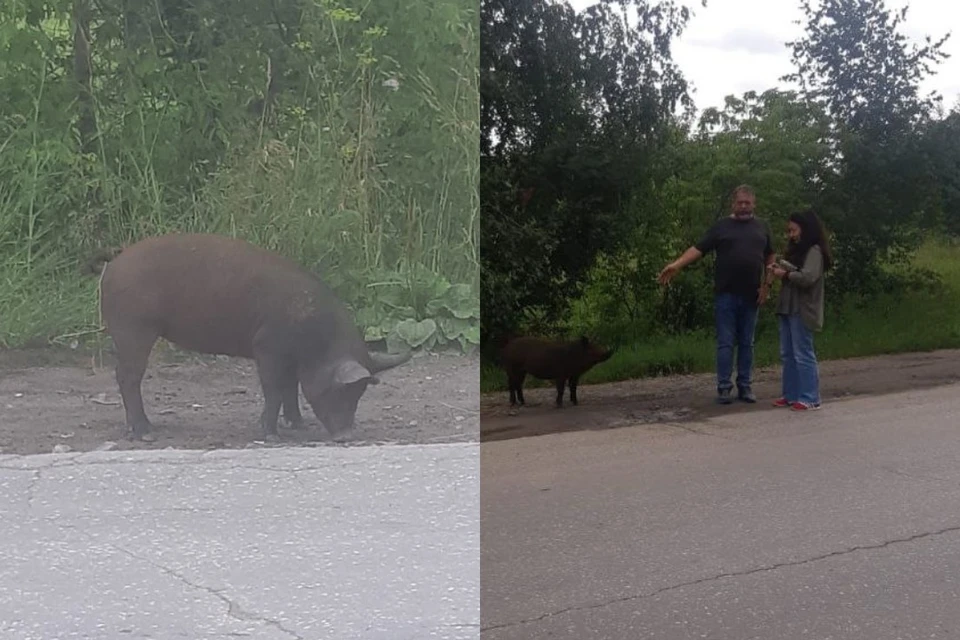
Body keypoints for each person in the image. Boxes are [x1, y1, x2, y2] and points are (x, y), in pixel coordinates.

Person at [658, 185, 775, 405]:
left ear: (754, 204)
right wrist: (677, 265)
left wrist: (767, 285)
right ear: (734, 203)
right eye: (740, 202)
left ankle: (745, 387)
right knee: (725, 343)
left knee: (747, 343)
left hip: (752, 295)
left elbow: (771, 256)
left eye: (747, 203)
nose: (743, 206)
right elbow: (698, 248)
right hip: (726, 294)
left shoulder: (762, 227)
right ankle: (723, 388)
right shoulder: (722, 227)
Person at [768, 209, 833, 411]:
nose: (791, 235)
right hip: (787, 307)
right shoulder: (796, 251)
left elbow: (807, 278)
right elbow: (797, 272)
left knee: (802, 353)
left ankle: (810, 397)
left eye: (794, 230)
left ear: (805, 229)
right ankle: (791, 394)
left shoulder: (814, 251)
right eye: (789, 231)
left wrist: (784, 274)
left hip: (802, 309)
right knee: (787, 353)